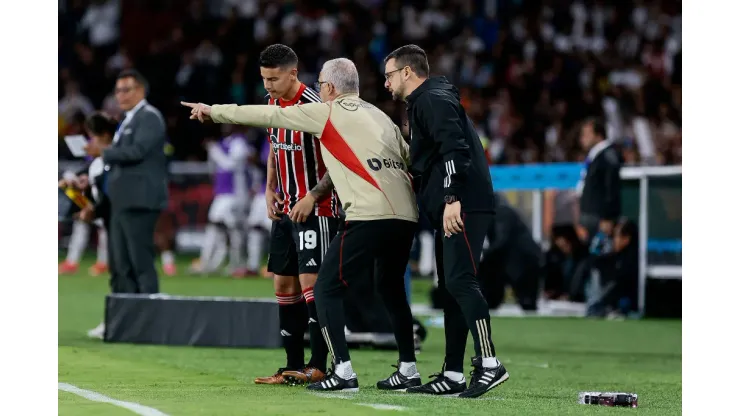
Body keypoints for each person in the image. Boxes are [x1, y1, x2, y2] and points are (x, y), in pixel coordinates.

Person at [182, 57, 420, 393]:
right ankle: (408, 369)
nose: (319, 86)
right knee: (391, 289)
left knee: (325, 287)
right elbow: (408, 157)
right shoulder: (380, 116)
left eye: (322, 82)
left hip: (365, 212)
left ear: (330, 87)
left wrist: (214, 110)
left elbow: (269, 116)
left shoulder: (326, 110)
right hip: (406, 215)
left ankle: (341, 371)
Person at [383, 45, 508, 398]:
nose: (386, 82)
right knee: (450, 286)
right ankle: (452, 373)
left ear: (408, 72)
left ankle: (489, 363)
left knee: (460, 280)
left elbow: (456, 149)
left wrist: (452, 198)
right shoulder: (430, 99)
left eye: (390, 75)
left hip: (463, 204)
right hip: (453, 204)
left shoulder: (430, 100)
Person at [91, 69, 168, 294]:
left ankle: (150, 321)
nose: (121, 96)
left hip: (139, 201)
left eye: (126, 90)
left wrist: (104, 152)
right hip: (121, 201)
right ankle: (125, 323)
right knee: (121, 266)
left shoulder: (149, 117)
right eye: (117, 91)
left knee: (140, 263)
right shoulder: (127, 120)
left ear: (141, 90)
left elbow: (137, 151)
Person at [61, 112, 117, 337]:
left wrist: (91, 209)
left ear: (104, 138)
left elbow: (110, 195)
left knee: (124, 274)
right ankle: (114, 321)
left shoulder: (112, 161)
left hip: (118, 222)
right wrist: (79, 187)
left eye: (91, 138)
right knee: (119, 276)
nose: (87, 144)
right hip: (109, 220)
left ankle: (117, 323)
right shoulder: (97, 164)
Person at [192, 125, 252, 276]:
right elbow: (214, 168)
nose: (225, 126)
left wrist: (214, 151)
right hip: (223, 193)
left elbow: (229, 165)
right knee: (220, 229)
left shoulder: (239, 143)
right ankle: (212, 263)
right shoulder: (223, 142)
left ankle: (233, 264)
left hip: (234, 194)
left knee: (228, 229)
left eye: (229, 123)